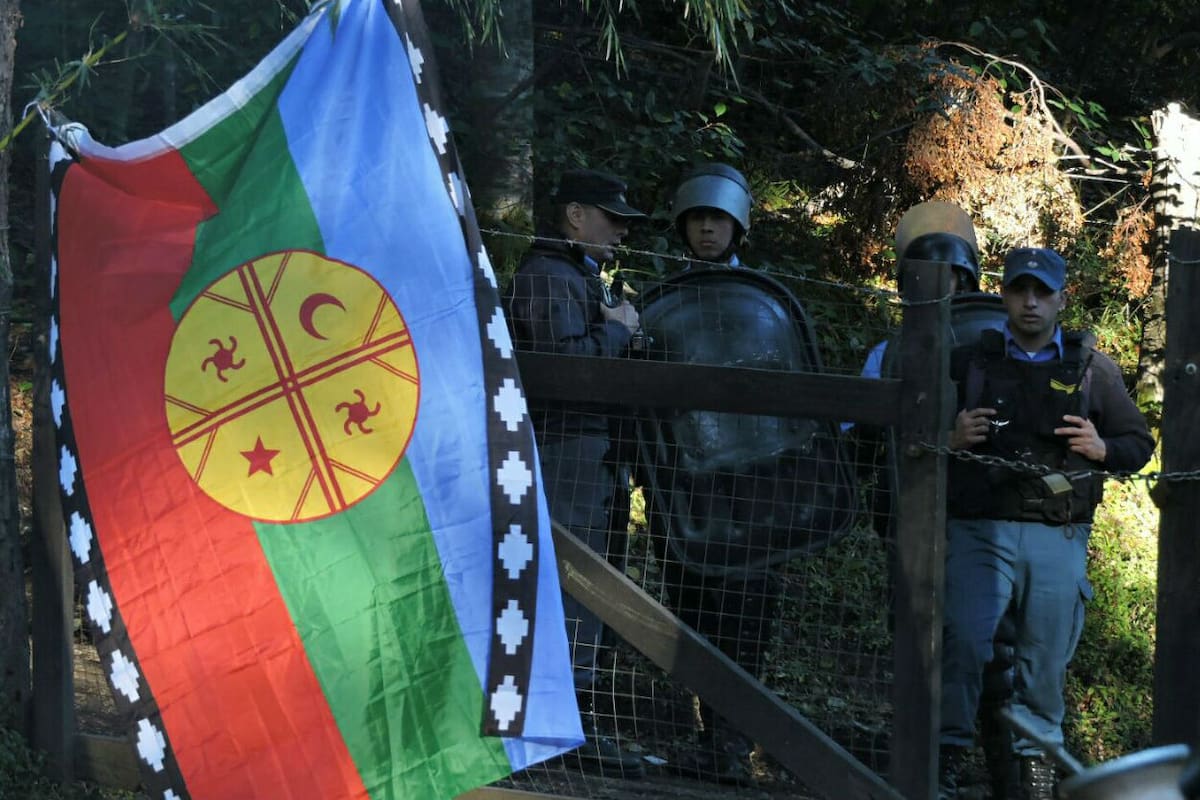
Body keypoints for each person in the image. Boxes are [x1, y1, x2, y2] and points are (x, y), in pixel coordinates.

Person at [938, 247, 1154, 799]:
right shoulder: (968, 362)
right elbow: (908, 434)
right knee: (962, 640)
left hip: (1057, 530)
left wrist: (1104, 447)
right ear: (1003, 294)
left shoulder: (1091, 366)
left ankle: (1036, 775)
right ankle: (943, 761)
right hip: (979, 528)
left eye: (1041, 292)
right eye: (1019, 290)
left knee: (1043, 657)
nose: (1030, 302)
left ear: (1061, 297)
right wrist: (949, 437)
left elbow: (1139, 442)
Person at [504, 167, 646, 778]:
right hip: (565, 451)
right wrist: (615, 332)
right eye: (611, 219)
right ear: (575, 215)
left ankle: (572, 729)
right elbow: (560, 372)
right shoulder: (547, 276)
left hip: (589, 454)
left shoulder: (570, 276)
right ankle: (559, 734)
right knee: (574, 586)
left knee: (589, 585)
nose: (619, 233)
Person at [652, 162, 764, 784]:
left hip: (755, 483)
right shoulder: (664, 297)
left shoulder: (764, 301)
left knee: (746, 614)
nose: (706, 230)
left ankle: (736, 745)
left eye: (717, 219)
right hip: (686, 482)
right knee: (693, 610)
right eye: (697, 219)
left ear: (737, 225)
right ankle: (710, 742)